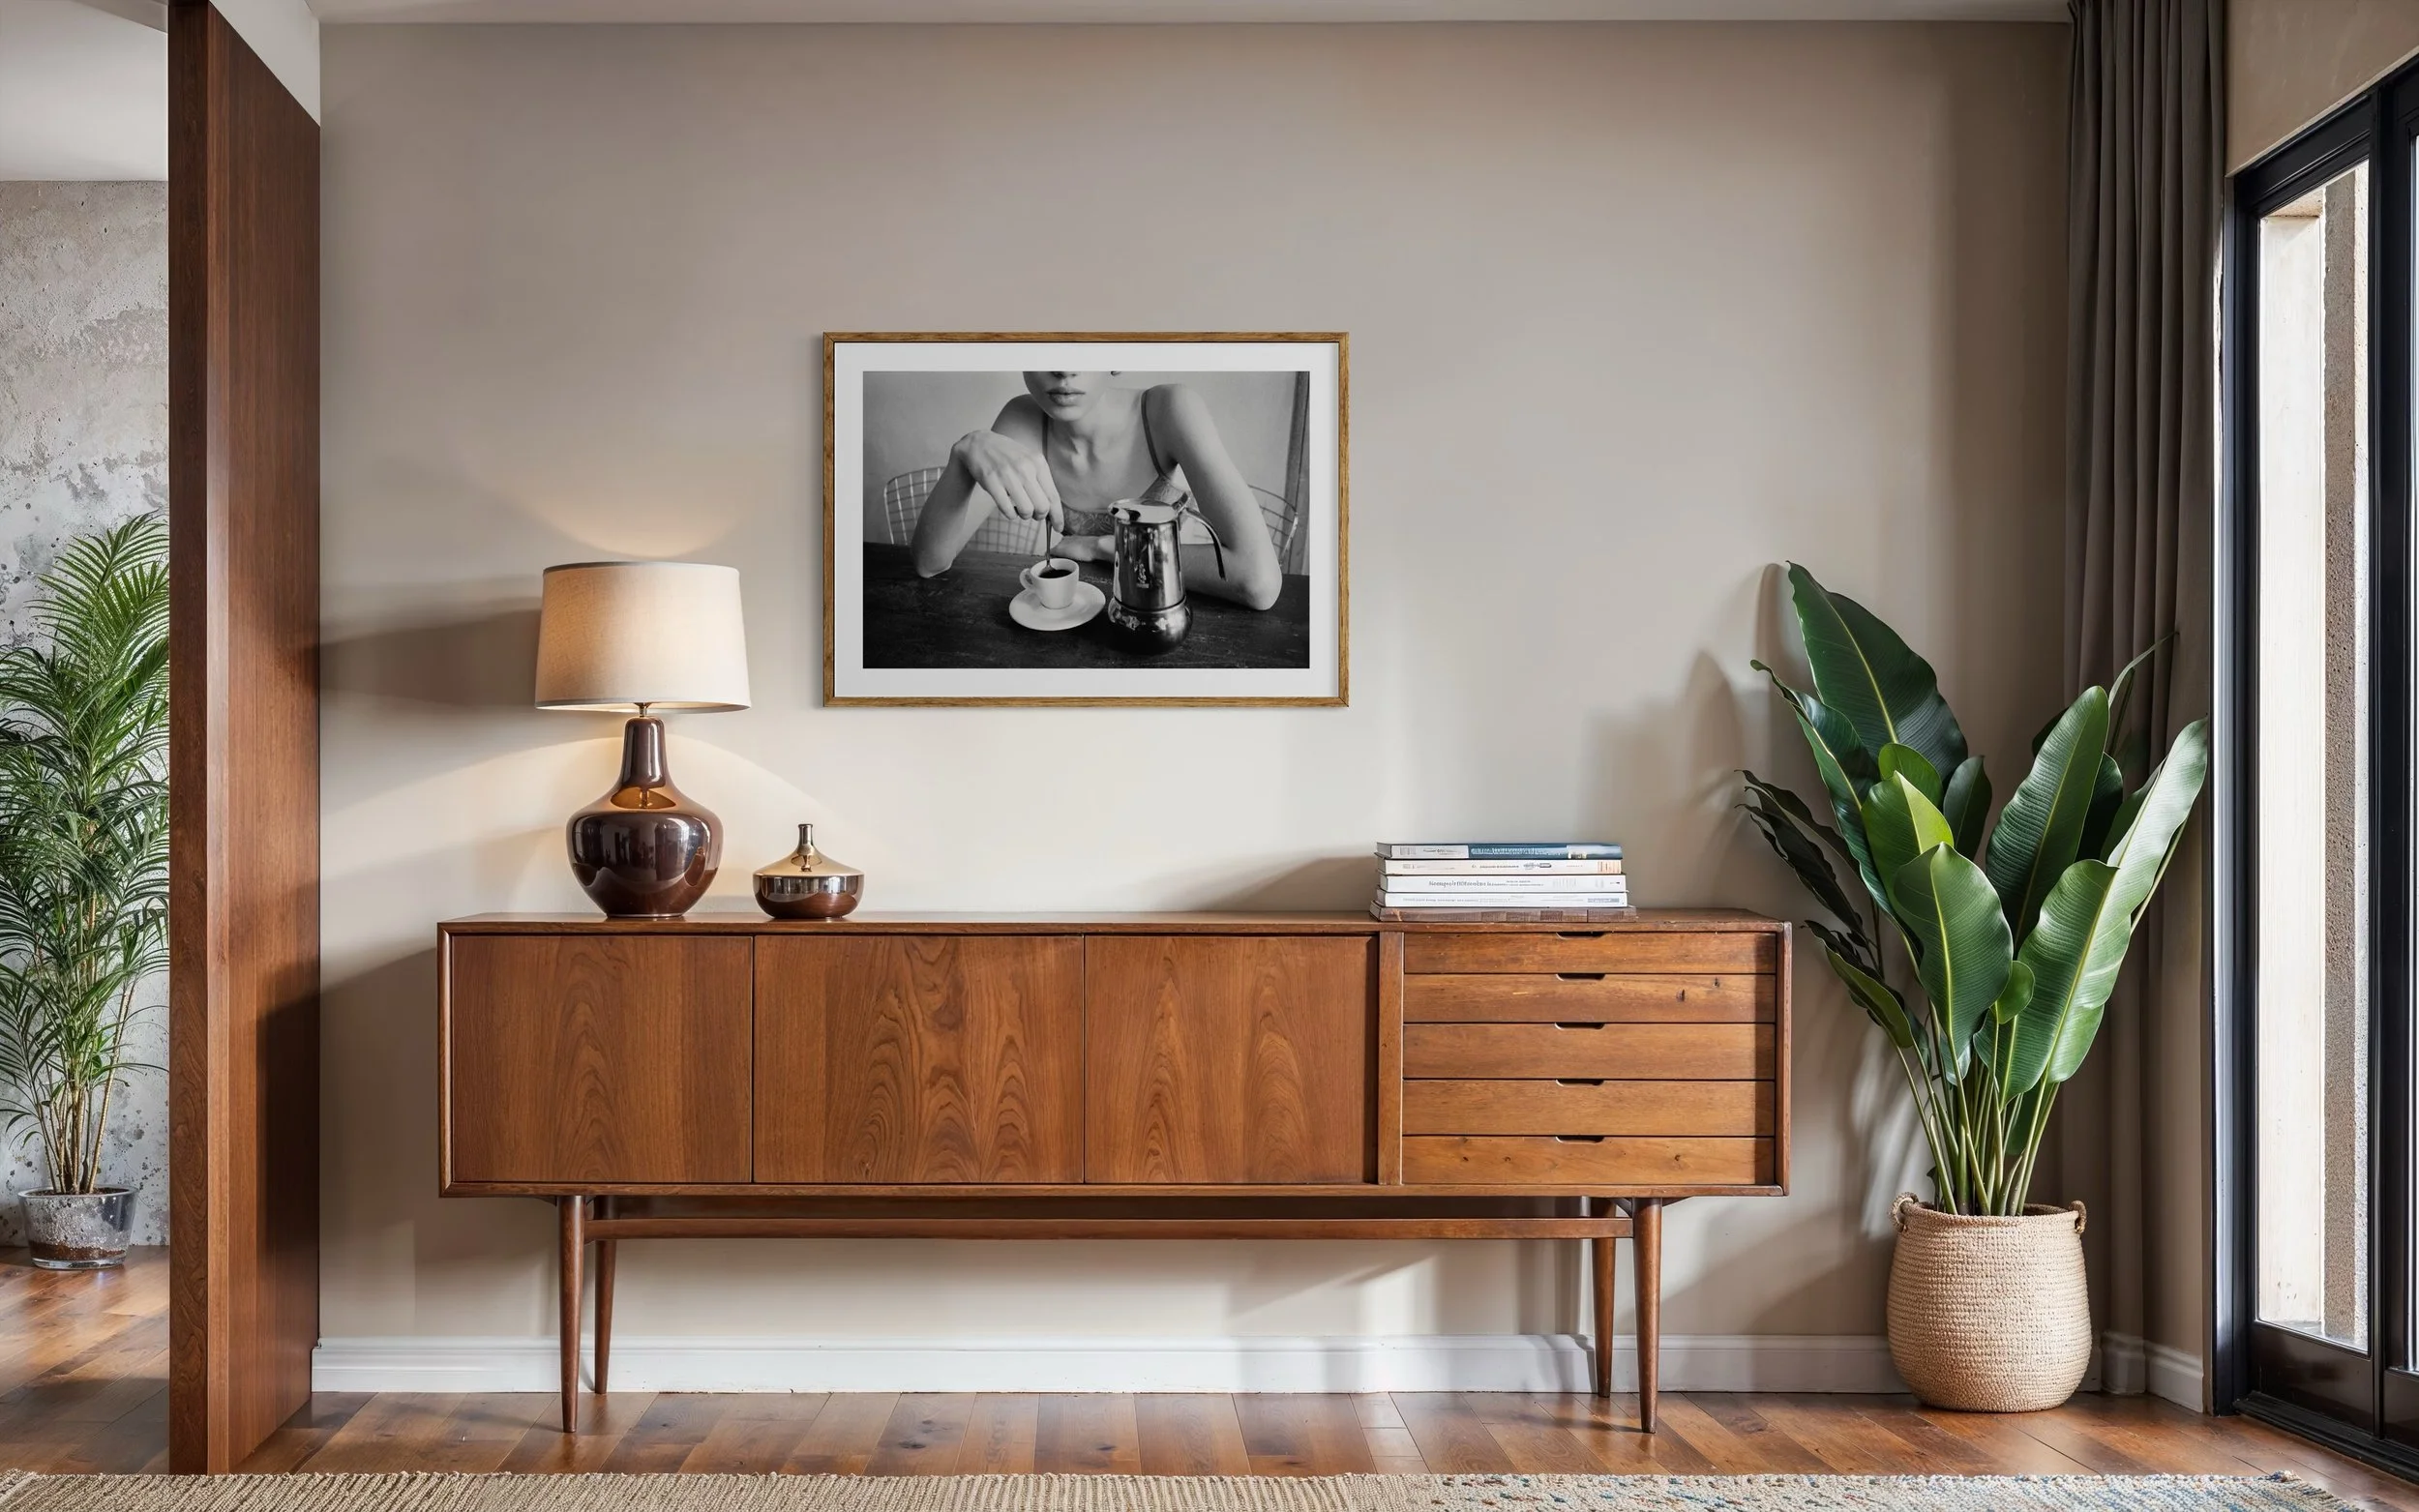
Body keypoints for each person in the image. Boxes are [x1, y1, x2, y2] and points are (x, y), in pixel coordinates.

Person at [908, 371, 1284, 610]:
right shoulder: (1023, 418)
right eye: (1044, 346)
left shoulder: (1169, 408)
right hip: (1084, 619)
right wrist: (965, 451)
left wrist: (1098, 547)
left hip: (1177, 612)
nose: (1065, 369)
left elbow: (1258, 582)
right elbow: (930, 562)